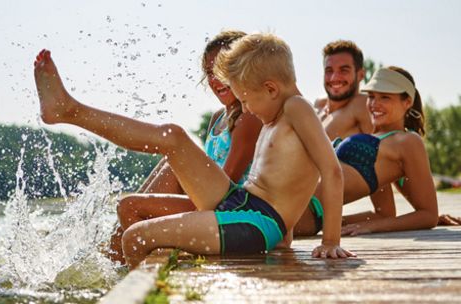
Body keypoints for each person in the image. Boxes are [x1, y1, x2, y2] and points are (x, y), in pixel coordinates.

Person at [33, 33, 355, 269]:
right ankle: (69, 110)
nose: (245, 108)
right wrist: (285, 235)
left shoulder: (297, 108)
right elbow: (286, 177)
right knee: (173, 136)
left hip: (257, 223)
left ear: (270, 88)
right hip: (242, 201)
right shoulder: (276, 113)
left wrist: (330, 241)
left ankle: (131, 292)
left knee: (135, 237)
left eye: (245, 100)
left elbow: (331, 170)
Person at [107, 31, 263, 264]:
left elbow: (227, 186)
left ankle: (132, 279)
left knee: (130, 206)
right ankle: (113, 262)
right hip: (210, 201)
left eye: (224, 69)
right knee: (169, 165)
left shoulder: (248, 117)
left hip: (229, 210)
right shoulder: (219, 118)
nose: (215, 79)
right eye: (210, 72)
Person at [298, 66, 439, 236]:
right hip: (297, 202)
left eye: (385, 97)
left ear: (407, 102)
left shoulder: (408, 141)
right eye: (371, 96)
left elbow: (428, 215)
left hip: (303, 210)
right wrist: (336, 223)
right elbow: (384, 213)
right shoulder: (378, 140)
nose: (374, 104)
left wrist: (371, 227)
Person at [295, 40, 373, 236]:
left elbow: (382, 161)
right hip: (288, 192)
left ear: (361, 74)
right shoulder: (318, 106)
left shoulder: (362, 105)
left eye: (344, 70)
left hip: (307, 208)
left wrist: (420, 214)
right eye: (329, 70)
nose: (334, 77)